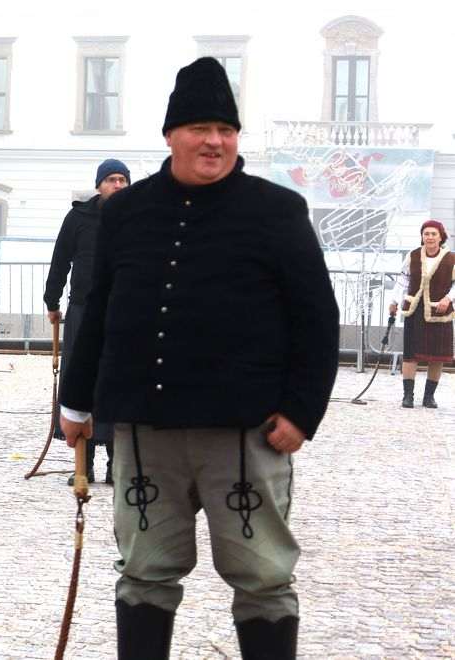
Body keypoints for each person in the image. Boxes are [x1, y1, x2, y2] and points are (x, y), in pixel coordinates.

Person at [58, 58, 340, 659]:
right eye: (199, 128)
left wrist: (300, 411)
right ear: (170, 135)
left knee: (264, 578)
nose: (214, 141)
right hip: (145, 428)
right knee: (143, 574)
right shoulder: (125, 213)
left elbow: (317, 317)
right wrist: (76, 402)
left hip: (245, 432)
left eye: (226, 130)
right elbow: (99, 309)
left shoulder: (277, 211)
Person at [44, 158, 130, 485]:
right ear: (99, 185)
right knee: (82, 383)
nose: (118, 185)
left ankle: (116, 467)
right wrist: (52, 301)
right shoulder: (78, 218)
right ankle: (84, 464)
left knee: (117, 387)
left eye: (123, 180)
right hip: (83, 311)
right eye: (111, 180)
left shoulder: (137, 219)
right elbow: (60, 260)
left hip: (122, 313)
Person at [389, 220, 452, 409]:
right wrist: (394, 301)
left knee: (437, 356)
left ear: (441, 237)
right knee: (410, 354)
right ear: (422, 236)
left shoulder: (451, 258)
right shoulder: (413, 256)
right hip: (414, 311)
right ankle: (408, 396)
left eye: (434, 234)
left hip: (439, 312)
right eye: (426, 234)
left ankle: (429, 397)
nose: (430, 237)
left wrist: (449, 299)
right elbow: (402, 279)